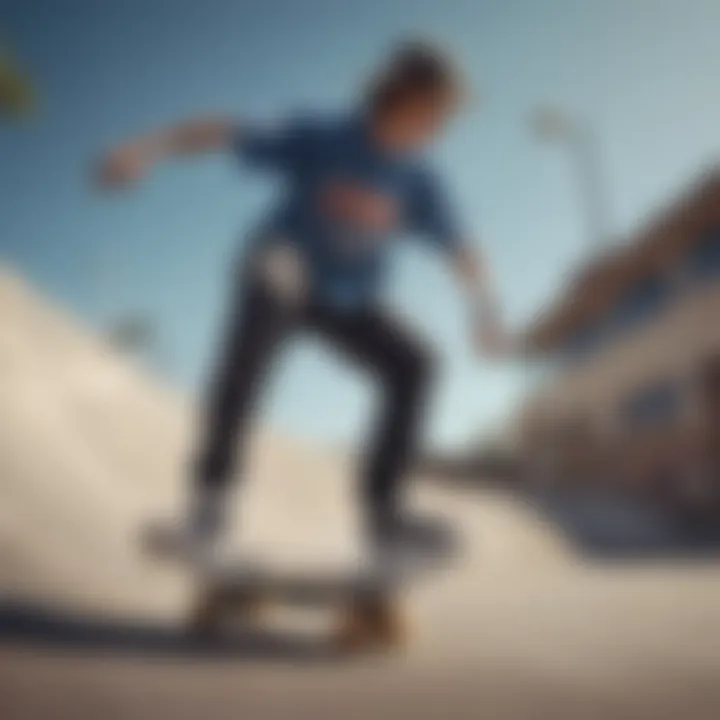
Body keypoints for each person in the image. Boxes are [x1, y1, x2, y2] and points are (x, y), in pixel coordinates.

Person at [96, 40, 509, 565]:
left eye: (445, 117)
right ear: (399, 94)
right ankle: (210, 506)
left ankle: (384, 517)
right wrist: (145, 147)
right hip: (287, 276)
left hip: (351, 302)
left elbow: (461, 246)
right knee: (262, 311)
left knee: (417, 363)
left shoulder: (420, 178)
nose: (437, 127)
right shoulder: (323, 134)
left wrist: (486, 310)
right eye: (433, 111)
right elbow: (225, 129)